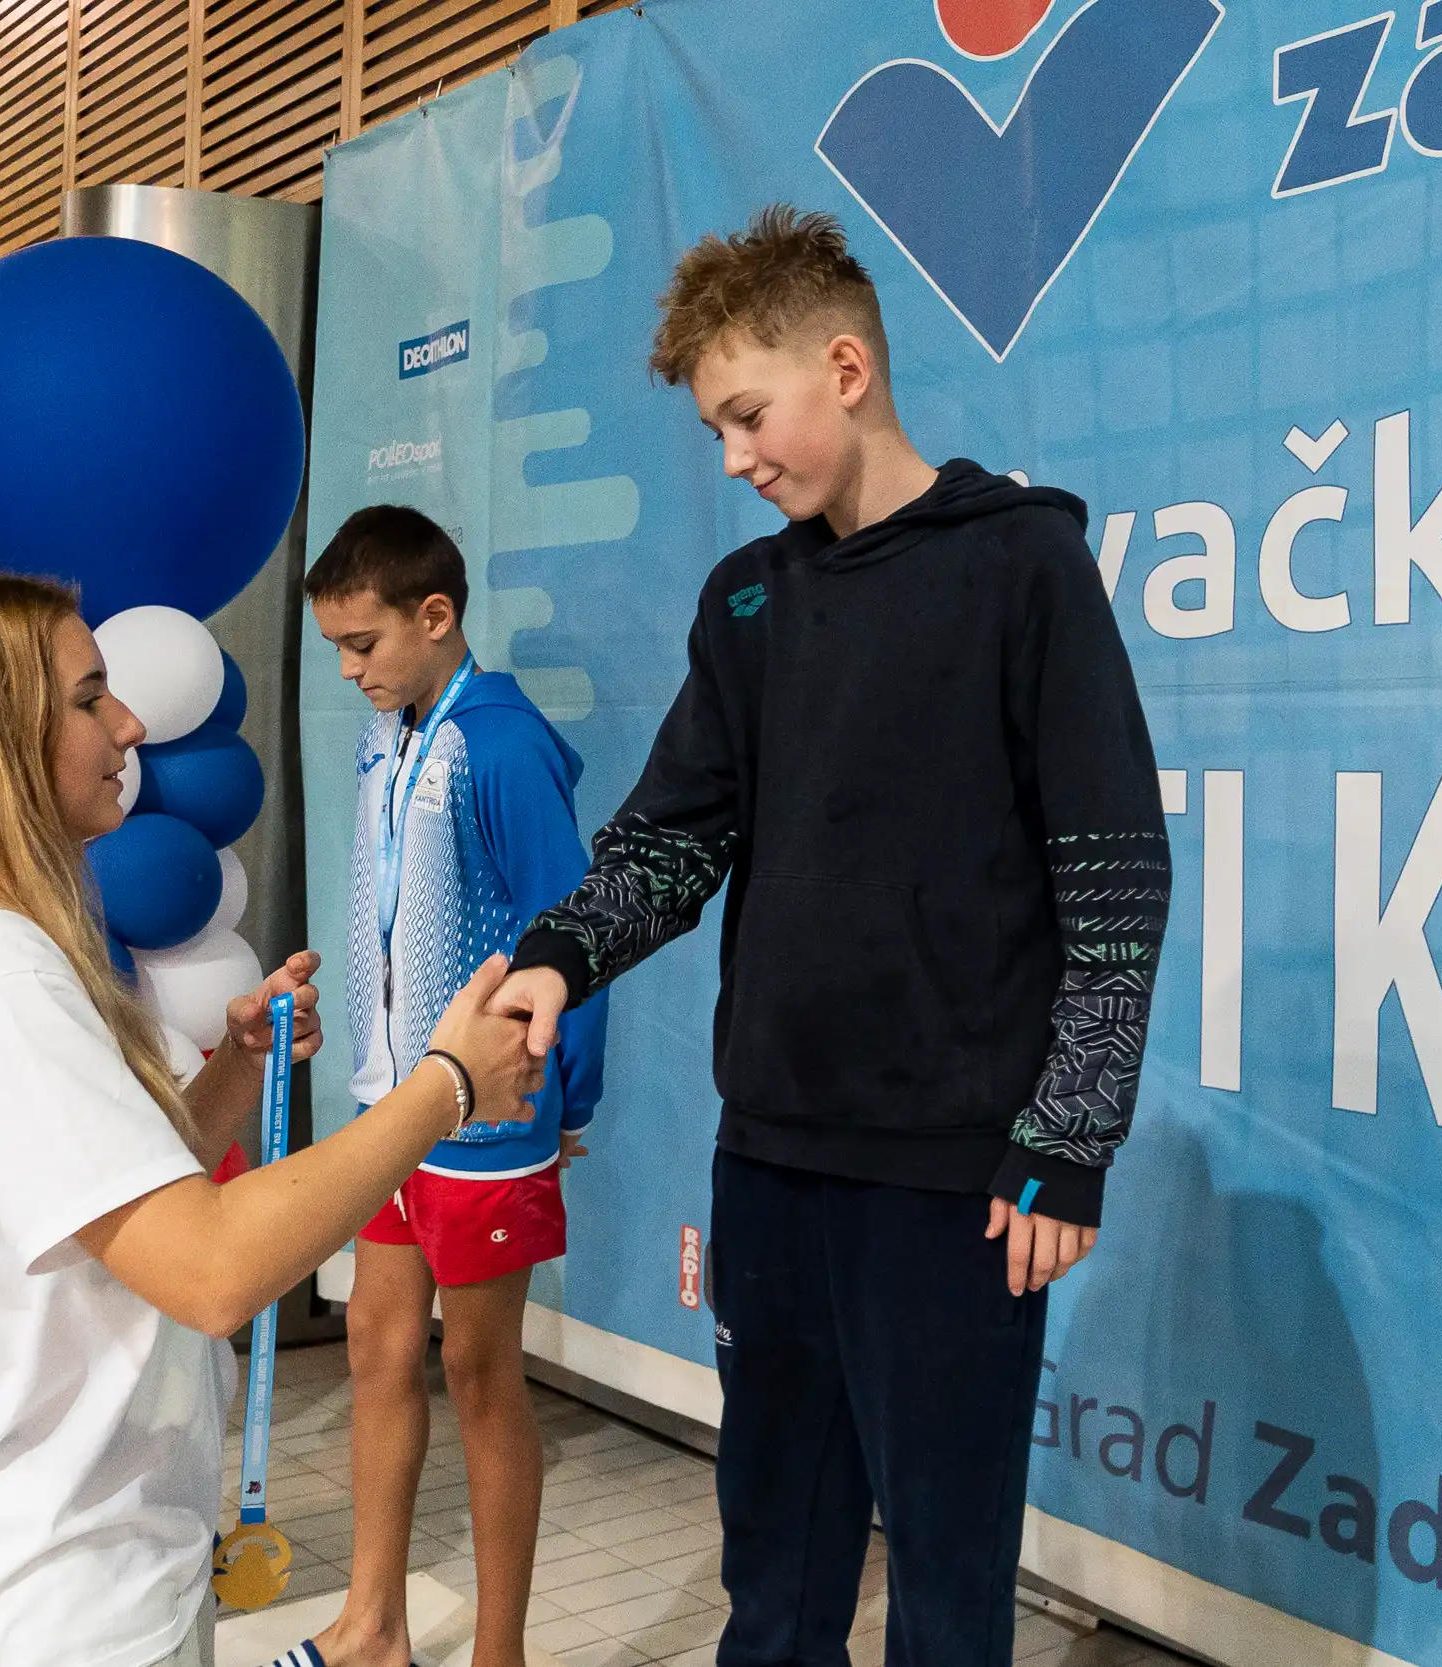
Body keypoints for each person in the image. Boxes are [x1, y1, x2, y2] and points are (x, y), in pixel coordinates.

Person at [485, 207, 1172, 1667]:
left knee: (944, 1581)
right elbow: (675, 834)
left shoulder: (1022, 566)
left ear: (846, 365)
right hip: (773, 1163)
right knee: (776, 1575)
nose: (735, 457)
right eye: (718, 429)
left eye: (748, 414)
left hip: (957, 1182)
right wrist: (561, 951)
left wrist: (1068, 1136)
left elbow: (1115, 871)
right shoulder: (747, 598)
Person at [0, 573, 543, 1667]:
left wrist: (234, 1075)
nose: (130, 724)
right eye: (90, 696)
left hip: (56, 1570)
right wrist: (447, 1086)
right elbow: (207, 1266)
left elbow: (111, 1208)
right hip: (38, 1601)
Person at [291, 505, 607, 1667]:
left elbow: (578, 932)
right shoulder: (395, 727)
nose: (349, 667)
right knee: (377, 1345)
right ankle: (373, 1625)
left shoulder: (499, 740)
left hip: (487, 1114)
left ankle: (500, 1651)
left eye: (363, 642)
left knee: (479, 1372)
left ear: (437, 616)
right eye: (334, 646)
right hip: (398, 1101)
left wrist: (566, 1095)